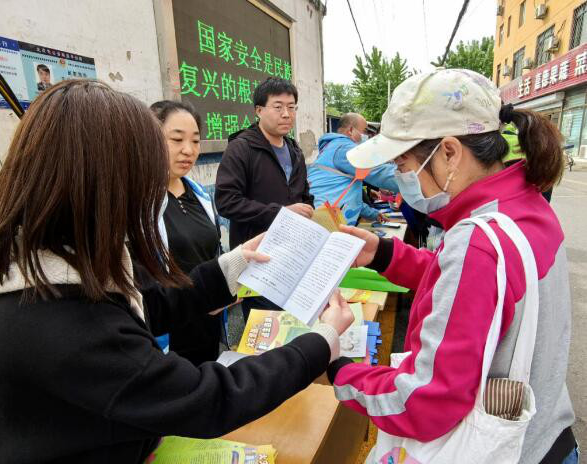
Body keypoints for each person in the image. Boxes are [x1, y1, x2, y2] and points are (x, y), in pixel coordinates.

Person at [0, 79, 354, 463]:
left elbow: (152, 303)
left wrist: (234, 265)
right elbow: (206, 399)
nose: (151, 190)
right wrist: (319, 343)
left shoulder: (68, 272)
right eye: (143, 173)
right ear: (100, 185)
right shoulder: (64, 321)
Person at [330, 69, 576, 463]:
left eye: (403, 164)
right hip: (549, 438)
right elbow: (469, 288)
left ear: (448, 153)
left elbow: (424, 403)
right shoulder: (522, 204)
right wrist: (383, 254)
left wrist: (339, 371)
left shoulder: (476, 242)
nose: (400, 178)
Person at [150, 100, 222, 365]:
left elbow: (211, 253)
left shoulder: (200, 196)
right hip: (167, 330)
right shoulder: (138, 205)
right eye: (177, 139)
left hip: (208, 321)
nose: (188, 150)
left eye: (195, 141)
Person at [215, 77, 314, 250]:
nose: (286, 114)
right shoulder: (241, 148)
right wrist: (281, 213)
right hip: (255, 252)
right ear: (259, 111)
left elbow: (303, 195)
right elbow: (227, 202)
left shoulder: (295, 151)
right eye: (278, 107)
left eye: (291, 107)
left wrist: (310, 210)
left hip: (292, 249)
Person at [308, 112, 398, 225]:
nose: (368, 137)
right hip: (327, 221)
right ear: (350, 130)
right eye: (365, 131)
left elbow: (350, 198)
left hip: (326, 217)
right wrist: (413, 180)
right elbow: (380, 172)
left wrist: (373, 214)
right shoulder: (345, 149)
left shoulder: (332, 148)